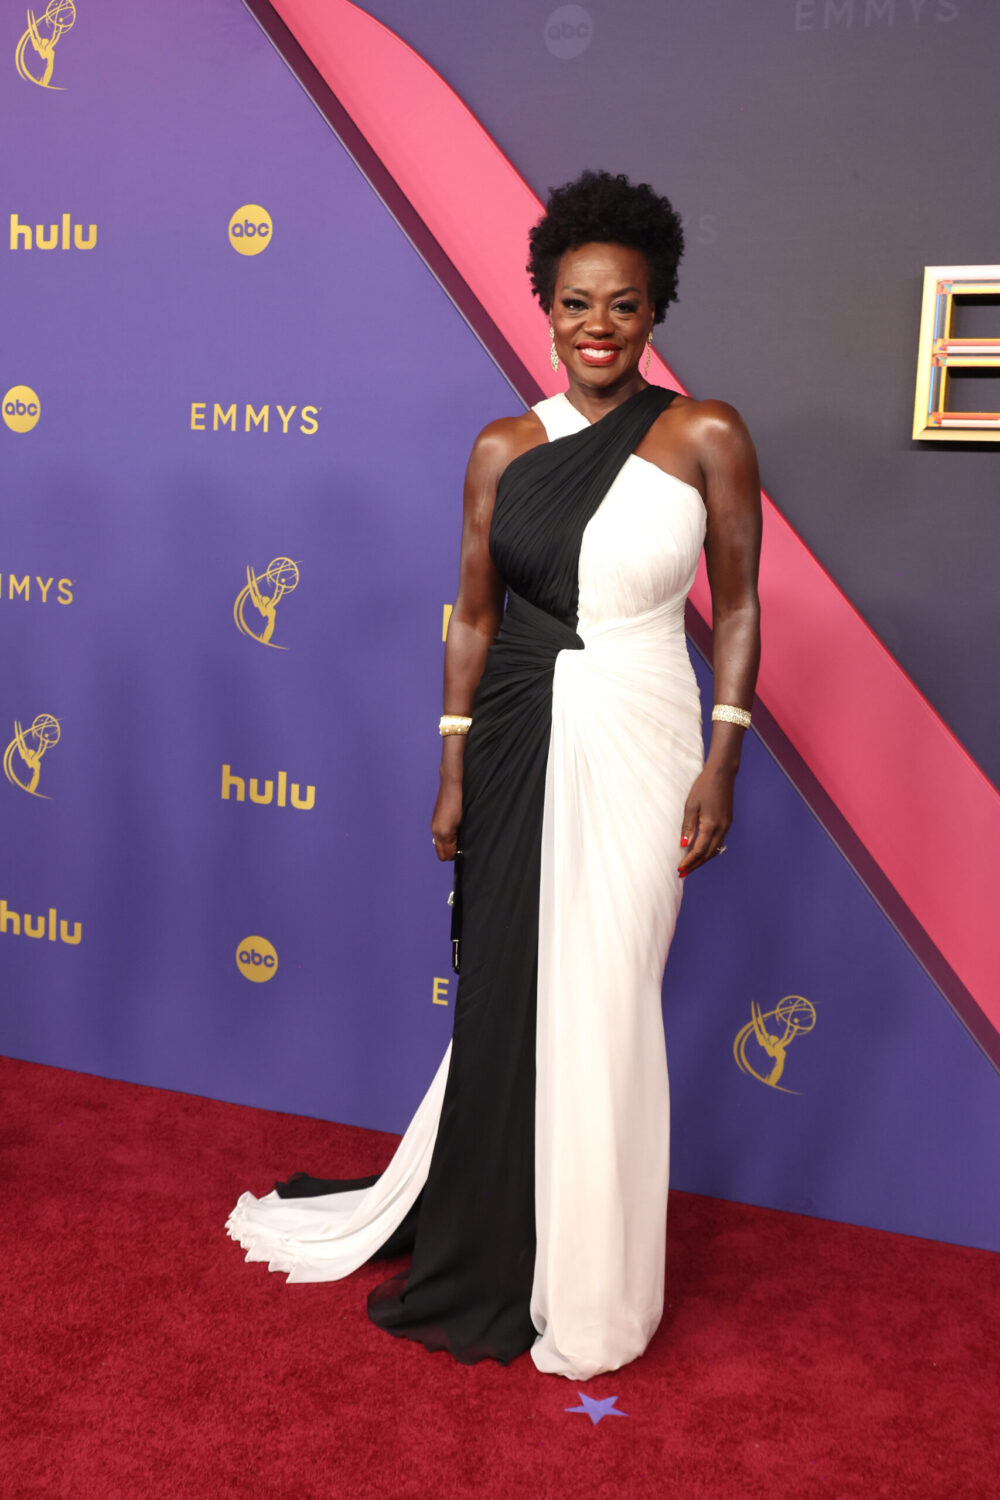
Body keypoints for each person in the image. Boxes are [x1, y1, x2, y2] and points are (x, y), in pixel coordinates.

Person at [226, 168, 762, 1381]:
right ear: (545, 309)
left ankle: (593, 1281)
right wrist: (453, 768)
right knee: (515, 992)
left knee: (609, 996)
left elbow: (736, 607)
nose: (597, 326)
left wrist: (724, 755)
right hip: (518, 732)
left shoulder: (707, 435)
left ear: (655, 310)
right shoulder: (503, 447)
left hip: (646, 733)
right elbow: (472, 617)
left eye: (622, 304)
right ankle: (501, 1239)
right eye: (575, 303)